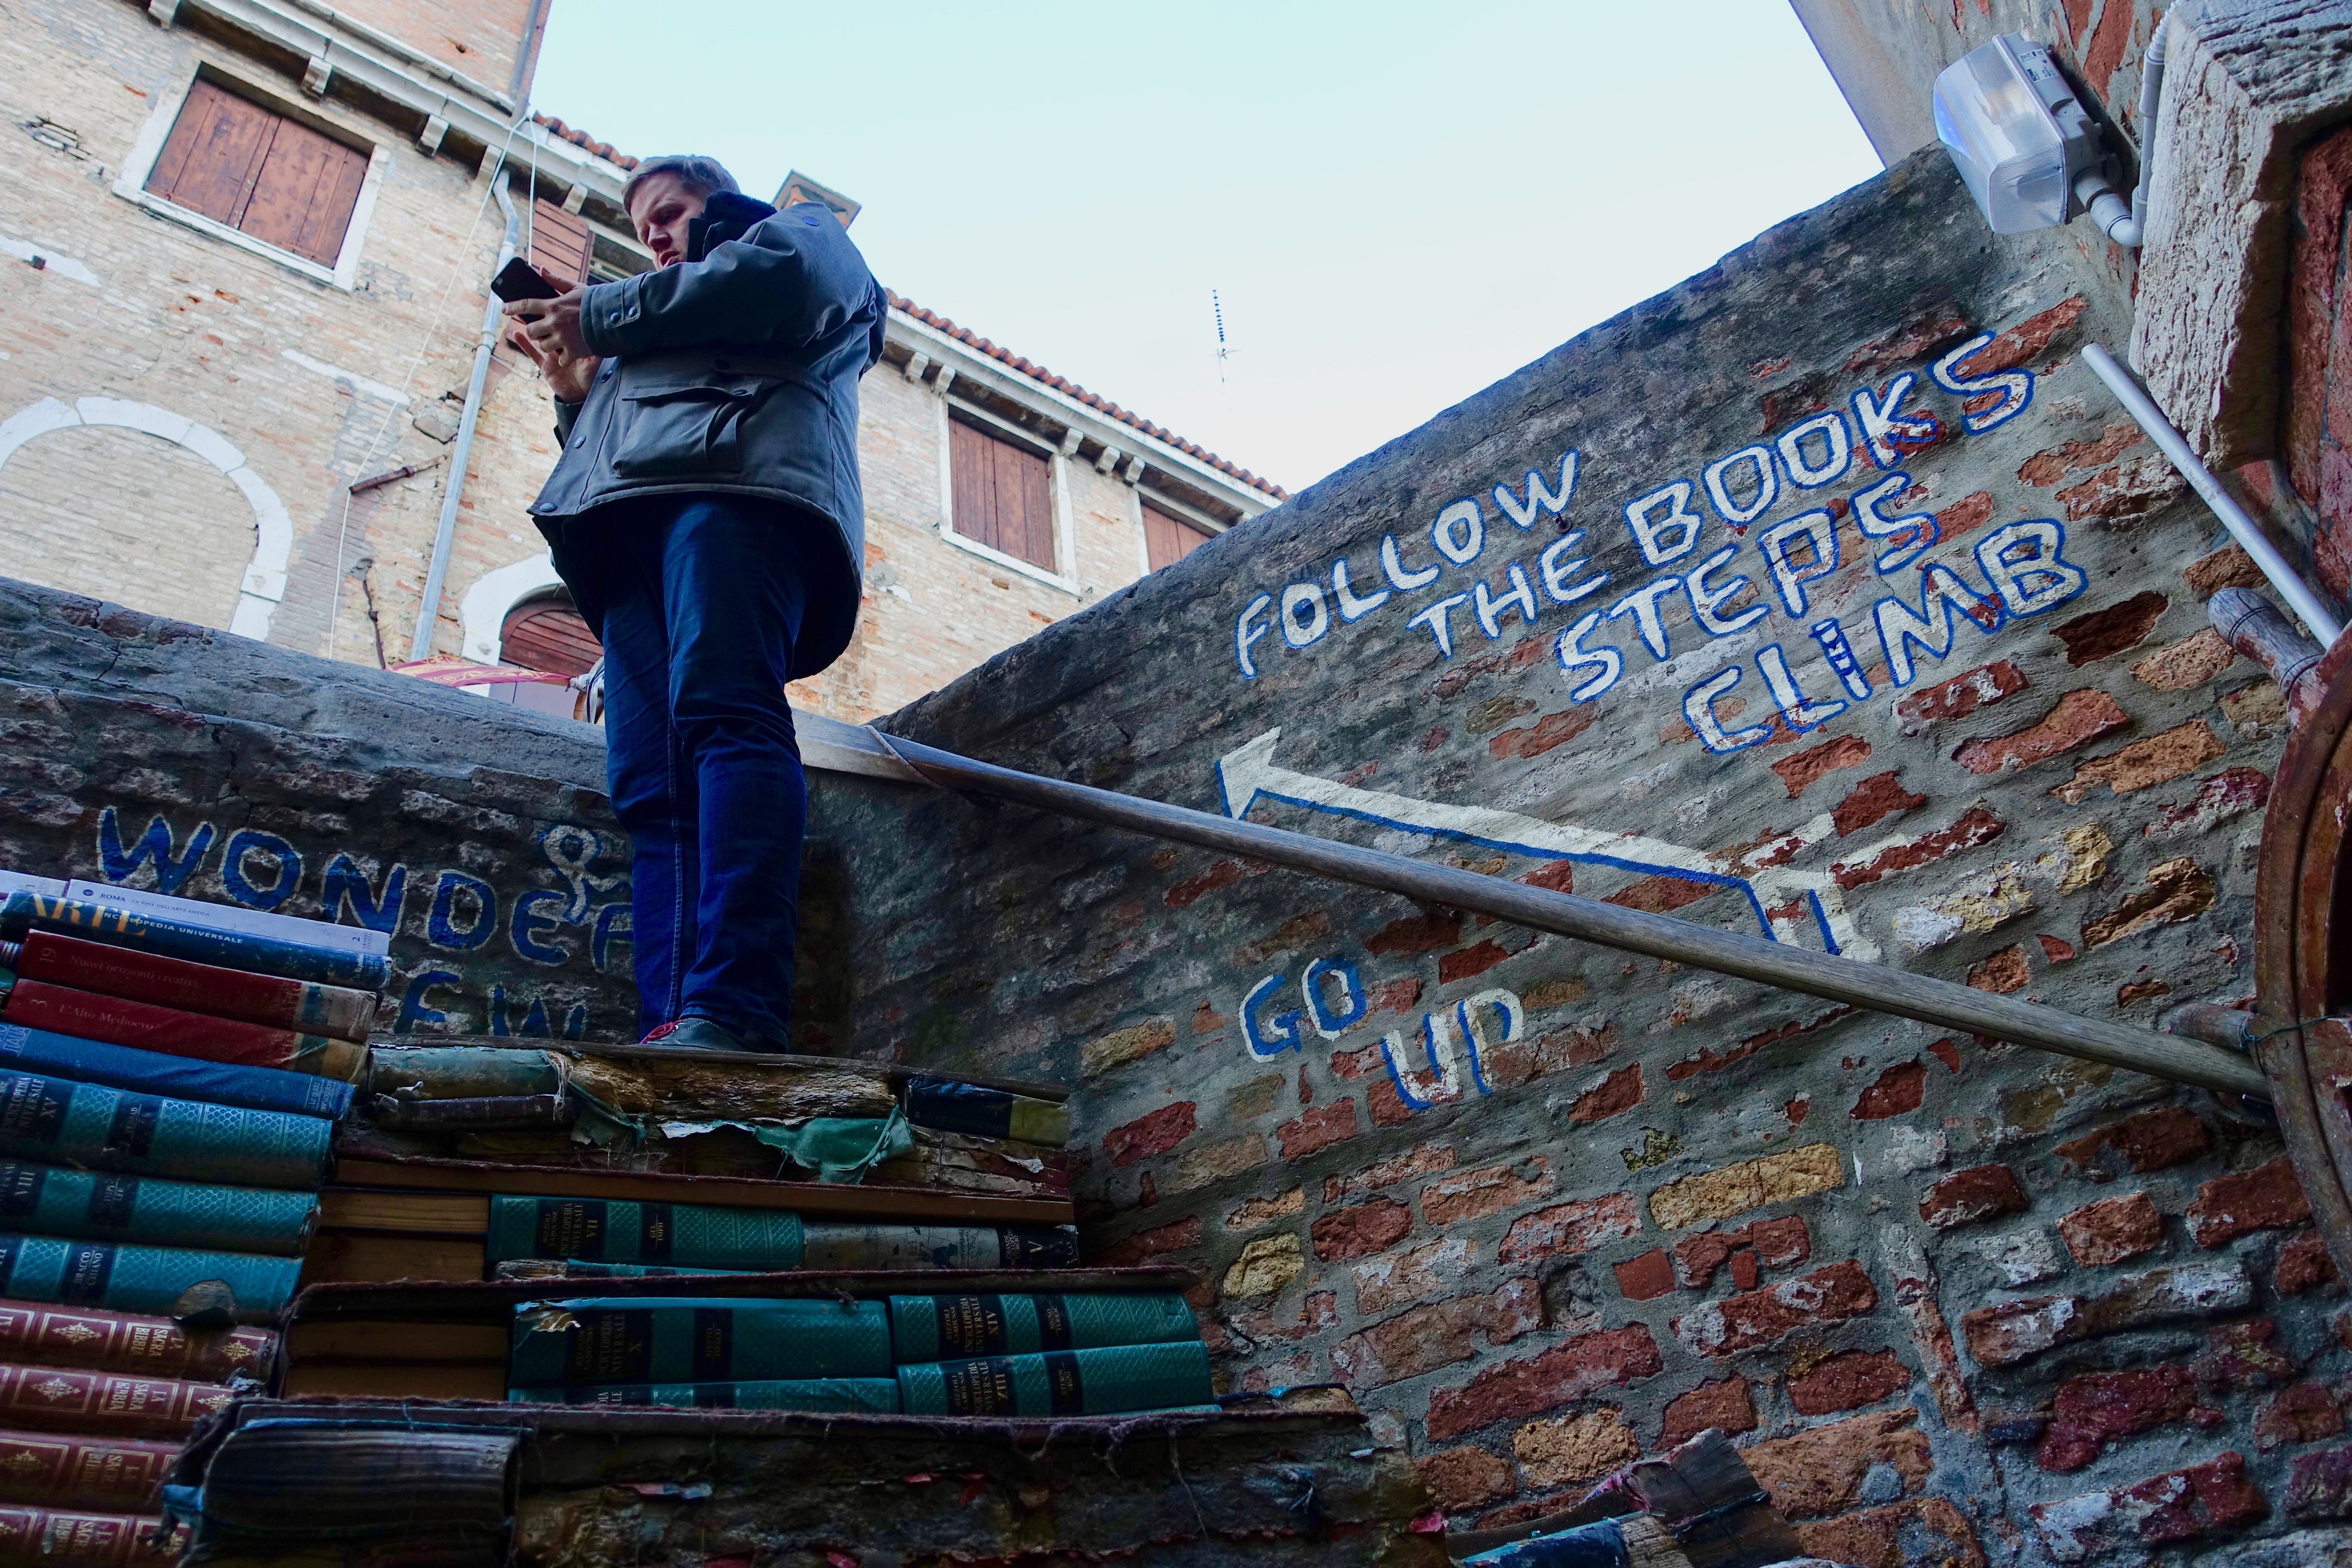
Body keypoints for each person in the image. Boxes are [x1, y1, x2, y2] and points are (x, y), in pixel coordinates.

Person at [502, 154, 883, 1051]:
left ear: (718, 204)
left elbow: (789, 280)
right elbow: (620, 446)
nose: (656, 238)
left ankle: (737, 1010)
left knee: (727, 716)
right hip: (633, 537)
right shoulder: (657, 321)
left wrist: (596, 312)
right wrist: (576, 393)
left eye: (670, 214)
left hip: (742, 497)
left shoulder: (794, 237)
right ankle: (675, 1024)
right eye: (642, 231)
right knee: (649, 787)